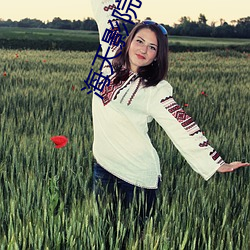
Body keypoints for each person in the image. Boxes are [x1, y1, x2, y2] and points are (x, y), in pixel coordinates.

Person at [90, 0, 249, 218]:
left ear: (158, 55)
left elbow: (182, 125)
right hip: (103, 168)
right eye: (140, 41)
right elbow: (104, 12)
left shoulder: (155, 90)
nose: (144, 49)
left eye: (152, 47)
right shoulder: (109, 58)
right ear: (129, 42)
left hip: (136, 178)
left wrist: (216, 163)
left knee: (134, 240)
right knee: (102, 237)